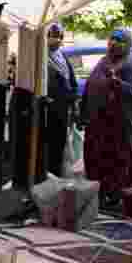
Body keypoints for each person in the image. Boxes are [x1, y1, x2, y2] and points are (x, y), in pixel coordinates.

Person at [79, 28, 132, 209]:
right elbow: (90, 87)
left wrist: (119, 85)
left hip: (120, 129)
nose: (113, 43)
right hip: (98, 126)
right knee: (97, 161)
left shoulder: (131, 65)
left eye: (119, 40)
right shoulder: (103, 62)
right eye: (112, 39)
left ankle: (120, 197)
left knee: (119, 165)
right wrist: (83, 112)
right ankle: (101, 195)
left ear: (127, 44)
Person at [44, 23, 77, 177]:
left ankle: (56, 176)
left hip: (63, 110)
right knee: (49, 146)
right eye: (52, 35)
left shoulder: (62, 57)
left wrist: (73, 102)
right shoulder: (41, 58)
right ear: (46, 36)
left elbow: (71, 81)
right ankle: (49, 177)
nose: (56, 39)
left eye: (59, 36)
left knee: (59, 145)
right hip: (48, 111)